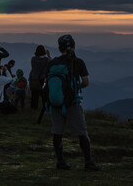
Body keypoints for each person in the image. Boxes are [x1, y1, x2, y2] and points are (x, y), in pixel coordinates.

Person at [48, 34, 101, 171]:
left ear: (59, 48)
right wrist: (73, 88)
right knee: (82, 132)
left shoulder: (52, 63)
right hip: (72, 103)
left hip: (55, 103)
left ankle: (60, 162)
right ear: (74, 46)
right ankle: (88, 162)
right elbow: (86, 82)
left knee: (57, 133)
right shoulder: (78, 62)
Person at [29, 45, 50, 110]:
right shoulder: (46, 59)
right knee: (43, 94)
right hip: (42, 79)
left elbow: (33, 68)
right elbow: (49, 65)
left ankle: (33, 108)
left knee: (34, 94)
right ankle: (45, 107)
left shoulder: (33, 59)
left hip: (33, 78)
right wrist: (48, 55)